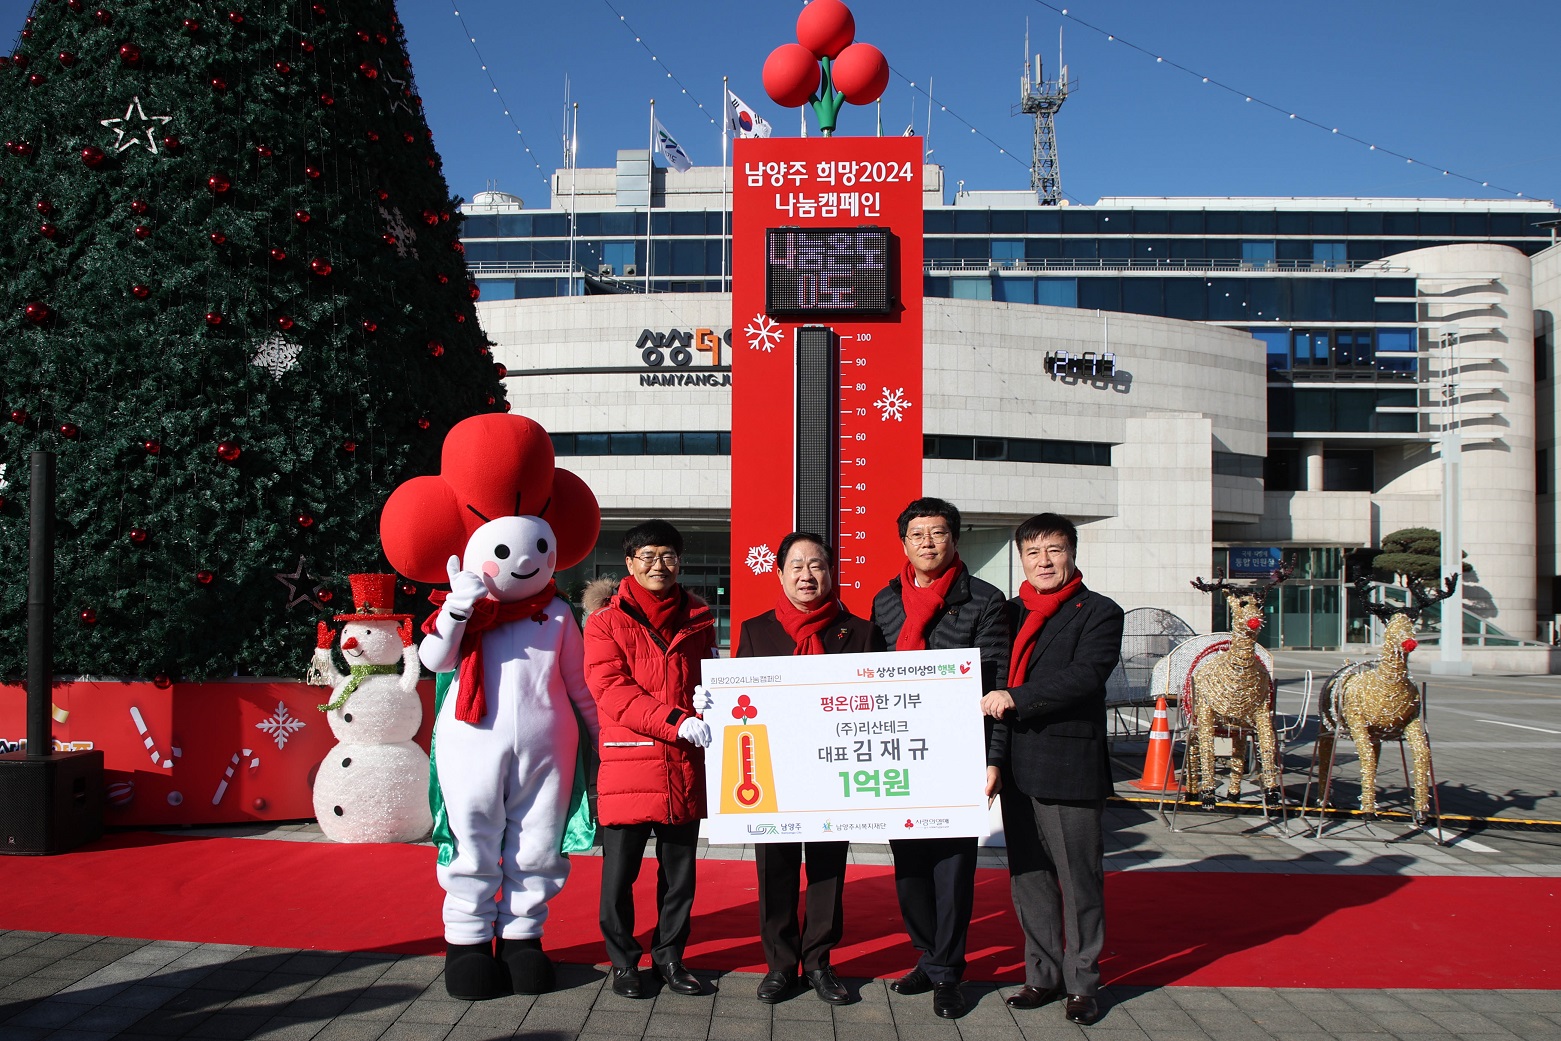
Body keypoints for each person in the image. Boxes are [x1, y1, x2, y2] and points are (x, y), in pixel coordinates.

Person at [982, 513, 1123, 1026]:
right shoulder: (1009, 612)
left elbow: (1085, 677)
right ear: (1021, 557)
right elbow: (990, 673)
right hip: (1016, 767)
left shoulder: (1100, 613)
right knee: (1029, 878)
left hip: (1068, 766)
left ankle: (1084, 982)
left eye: (1054, 550)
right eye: (1034, 553)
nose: (1044, 562)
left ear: (1072, 552)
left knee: (1079, 879)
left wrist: (1015, 698)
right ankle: (1041, 975)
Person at [871, 497, 1009, 1020]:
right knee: (908, 867)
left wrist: (993, 759)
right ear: (903, 542)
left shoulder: (985, 601)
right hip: (899, 752)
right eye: (917, 534)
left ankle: (949, 971)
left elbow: (995, 683)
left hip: (957, 752)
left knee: (952, 868)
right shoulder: (887, 601)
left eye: (938, 533)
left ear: (954, 539)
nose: (927, 542)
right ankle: (929, 958)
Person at [735, 532, 876, 1006]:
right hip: (774, 771)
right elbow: (741, 704)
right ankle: (779, 965)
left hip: (831, 771)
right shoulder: (756, 630)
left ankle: (818, 962)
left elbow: (873, 704)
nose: (806, 575)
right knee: (774, 867)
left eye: (816, 565)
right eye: (796, 566)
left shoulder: (858, 632)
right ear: (779, 574)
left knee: (827, 869)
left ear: (831, 572)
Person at [583, 520, 718, 999]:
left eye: (668, 556)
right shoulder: (605, 621)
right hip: (631, 766)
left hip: (683, 766)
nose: (659, 565)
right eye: (648, 556)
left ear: (679, 561)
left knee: (679, 875)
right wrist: (675, 720)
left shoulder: (699, 615)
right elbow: (612, 692)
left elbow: (709, 674)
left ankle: (670, 957)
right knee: (620, 875)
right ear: (629, 563)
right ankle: (623, 962)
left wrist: (710, 697)